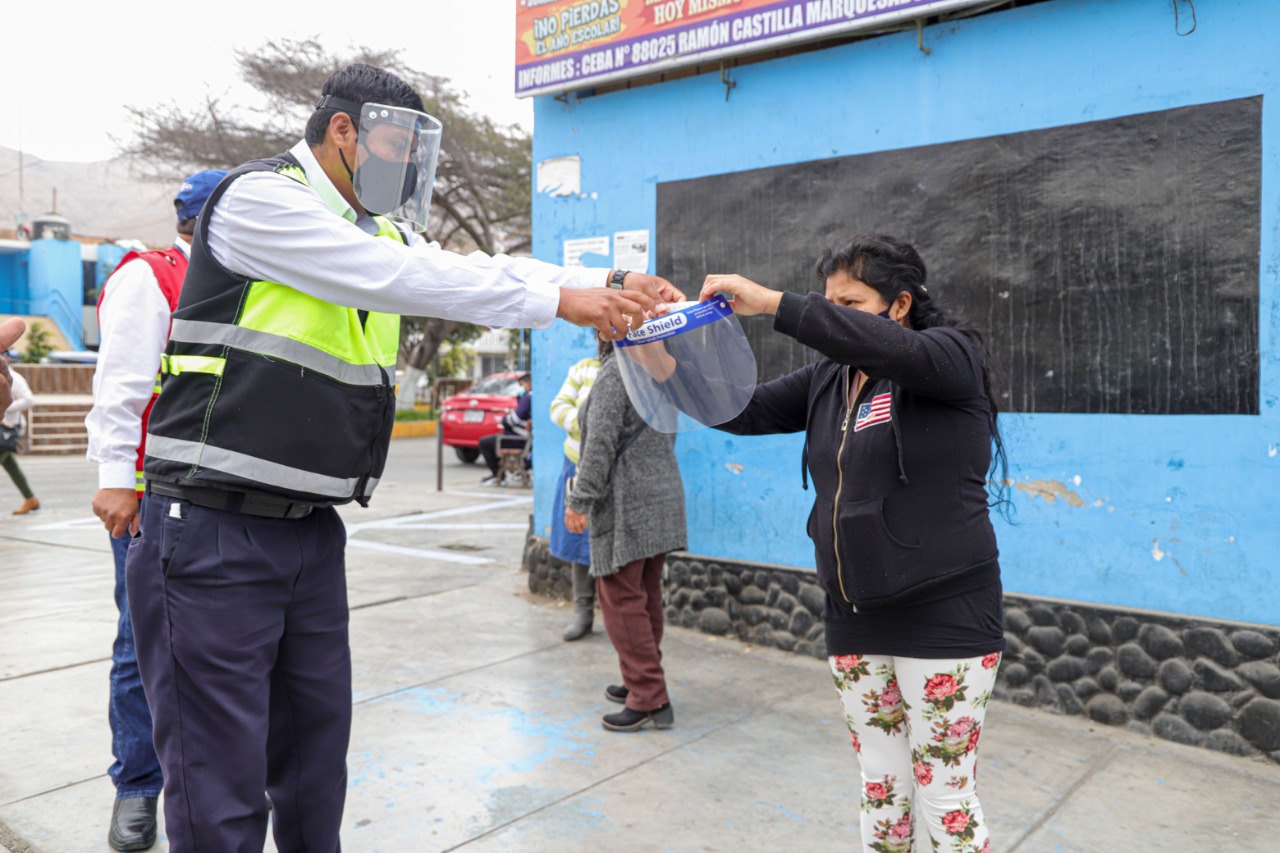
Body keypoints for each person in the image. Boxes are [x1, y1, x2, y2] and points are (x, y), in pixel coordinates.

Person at [124, 62, 681, 851]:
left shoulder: (376, 229)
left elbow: (478, 267)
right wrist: (563, 300)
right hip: (212, 527)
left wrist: (610, 279)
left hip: (310, 533)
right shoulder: (260, 201)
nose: (403, 170)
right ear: (341, 130)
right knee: (220, 787)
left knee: (316, 766)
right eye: (393, 147)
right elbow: (400, 276)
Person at [687, 233, 1008, 852]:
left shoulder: (948, 358)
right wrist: (659, 358)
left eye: (850, 303)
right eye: (827, 301)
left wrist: (776, 304)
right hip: (854, 615)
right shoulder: (829, 379)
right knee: (882, 790)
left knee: (945, 795)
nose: (834, 314)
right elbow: (742, 411)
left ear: (900, 305)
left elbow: (887, 351)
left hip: (945, 614)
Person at [85, 169, 226, 851]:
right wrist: (118, 478)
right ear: (203, 224)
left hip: (220, 494)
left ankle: (207, 777)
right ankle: (137, 785)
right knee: (141, 642)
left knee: (214, 645)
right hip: (151, 494)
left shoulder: (244, 286)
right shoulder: (153, 277)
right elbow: (121, 385)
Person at [564, 337, 687, 732]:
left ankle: (649, 696)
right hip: (662, 494)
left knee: (619, 598)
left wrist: (580, 501)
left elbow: (598, 445)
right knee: (645, 595)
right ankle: (639, 679)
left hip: (628, 501)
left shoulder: (616, 372)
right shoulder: (661, 368)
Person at [549, 353, 601, 640]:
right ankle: (583, 610)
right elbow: (557, 408)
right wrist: (590, 423)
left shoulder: (635, 366)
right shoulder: (582, 369)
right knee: (577, 536)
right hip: (575, 463)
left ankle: (613, 612)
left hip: (612, 467)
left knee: (607, 540)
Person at [478, 372, 532, 485]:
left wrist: (504, 419)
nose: (522, 387)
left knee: (484, 443)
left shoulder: (528, 397)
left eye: (523, 383)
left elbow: (515, 419)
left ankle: (497, 475)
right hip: (526, 437)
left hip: (519, 438)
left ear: (529, 383)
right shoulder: (535, 397)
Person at [1, 366, 38, 514]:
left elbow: (29, 400)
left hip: (8, 429)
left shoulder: (14, 378)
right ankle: (30, 499)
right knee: (11, 465)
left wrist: (7, 405)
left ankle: (31, 499)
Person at [0, 318, 25, 414]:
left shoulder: (15, 377)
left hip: (12, 426)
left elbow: (28, 399)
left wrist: (9, 409)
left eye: (5, 356)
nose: (4, 358)